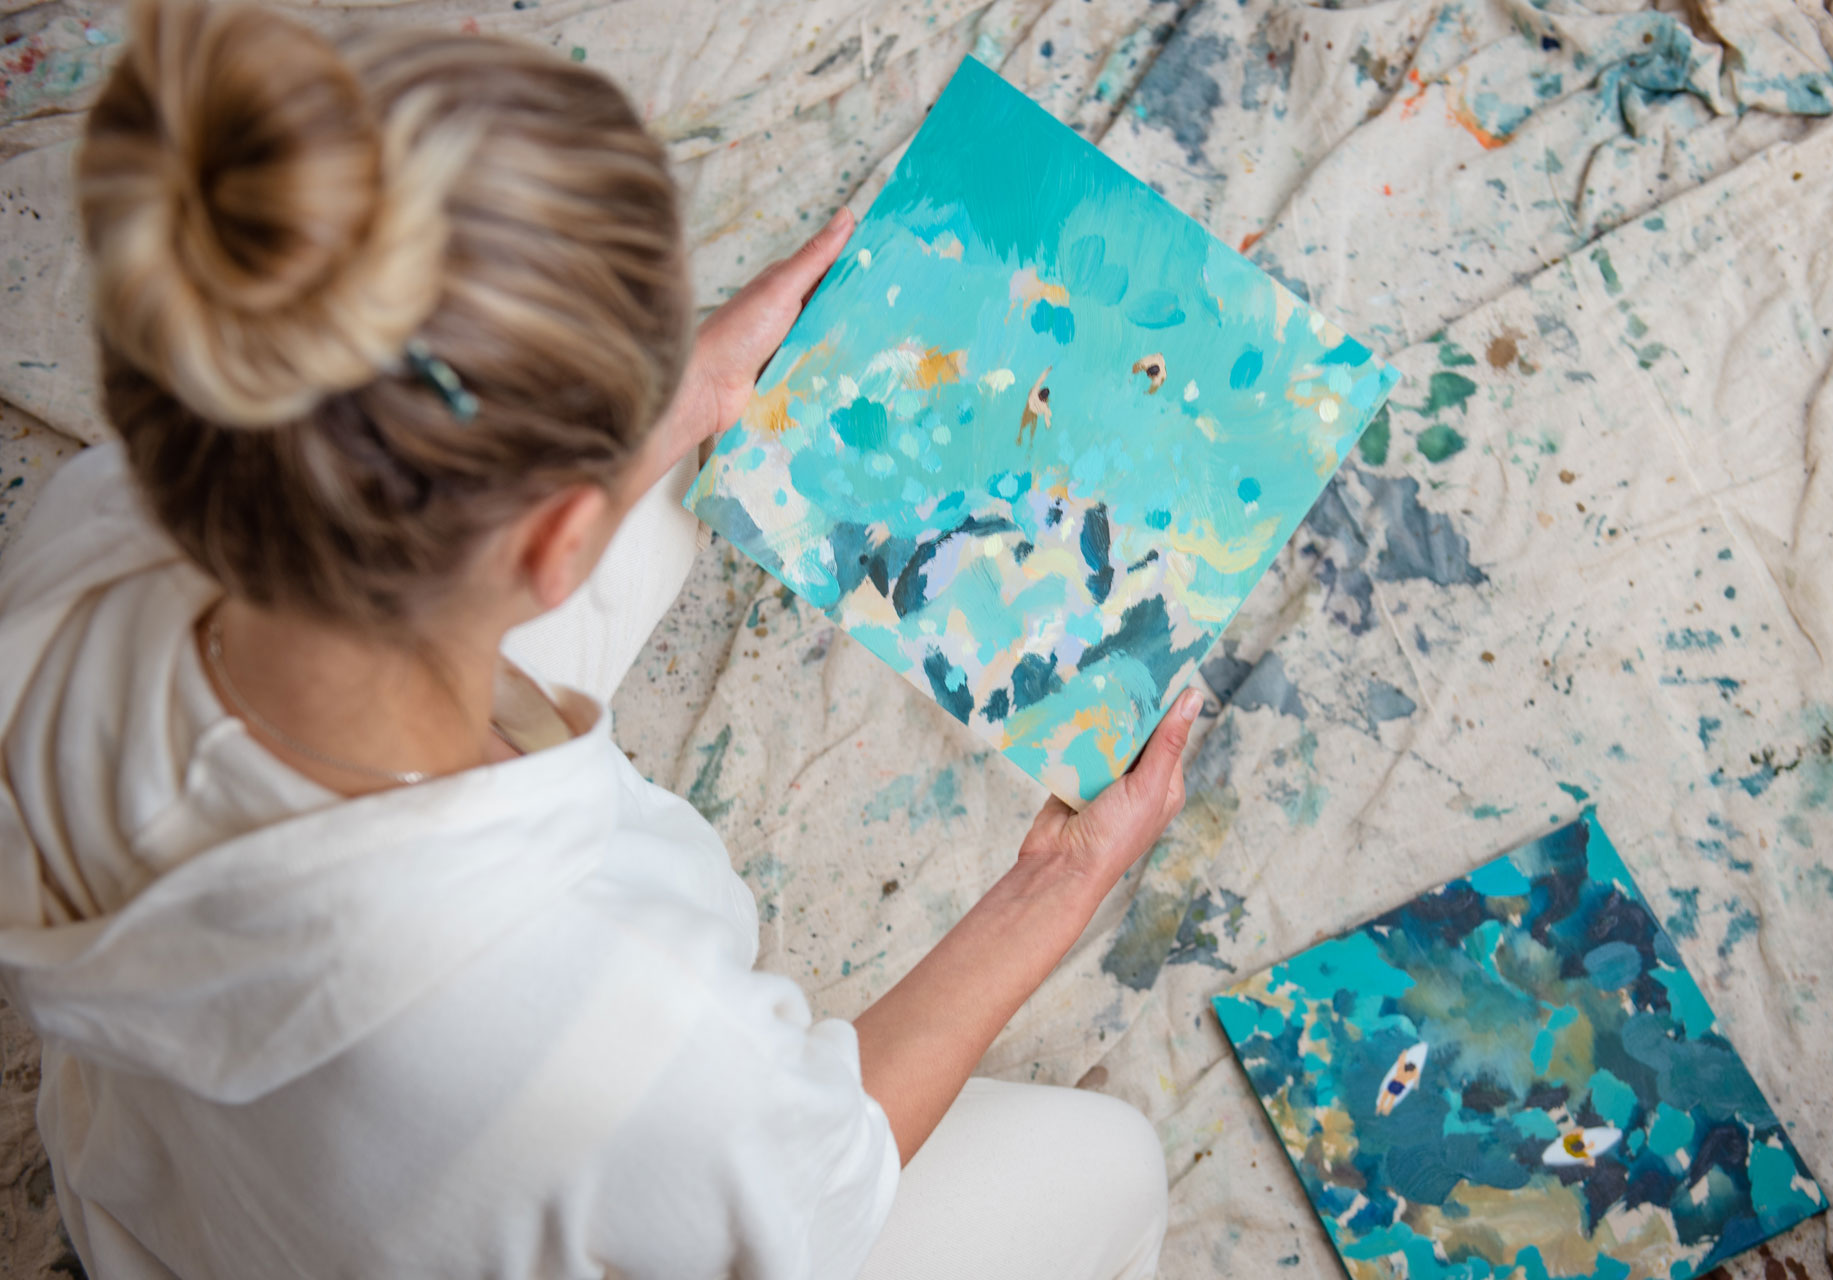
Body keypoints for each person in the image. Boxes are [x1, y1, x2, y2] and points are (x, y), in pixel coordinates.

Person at [0, 3, 1202, 1276]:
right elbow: (823, 1189)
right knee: (1110, 1163)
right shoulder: (628, 1029)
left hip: (181, 1190)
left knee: (686, 482)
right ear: (554, 538)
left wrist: (686, 400)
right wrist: (1055, 886)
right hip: (457, 1156)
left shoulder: (93, 541)